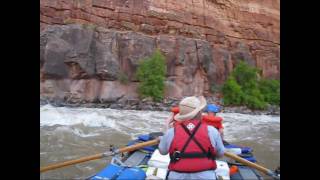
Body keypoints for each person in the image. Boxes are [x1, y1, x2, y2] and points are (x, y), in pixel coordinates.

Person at [159, 96, 225, 180]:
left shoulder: (171, 132)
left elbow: (162, 151)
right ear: (198, 113)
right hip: (205, 176)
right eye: (200, 110)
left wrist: (167, 123)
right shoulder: (212, 131)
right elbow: (220, 154)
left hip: (177, 176)